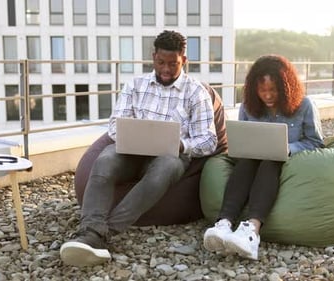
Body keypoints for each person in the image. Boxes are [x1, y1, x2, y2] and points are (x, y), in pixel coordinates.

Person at [60, 30, 218, 267]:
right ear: (152, 56)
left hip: (169, 157)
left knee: (164, 168)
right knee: (103, 162)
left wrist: (181, 144)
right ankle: (90, 230)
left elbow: (208, 140)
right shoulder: (135, 85)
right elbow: (114, 126)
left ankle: (101, 233)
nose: (165, 69)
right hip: (131, 152)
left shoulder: (197, 93)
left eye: (172, 64)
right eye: (160, 62)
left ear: (183, 60)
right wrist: (130, 136)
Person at [203, 54, 324, 260]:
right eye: (262, 90)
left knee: (271, 158)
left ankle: (252, 231)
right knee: (249, 158)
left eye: (273, 90)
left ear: (286, 87)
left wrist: (288, 148)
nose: (267, 96)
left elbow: (316, 142)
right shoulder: (249, 106)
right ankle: (224, 223)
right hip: (252, 162)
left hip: (285, 161)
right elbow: (243, 140)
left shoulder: (304, 105)